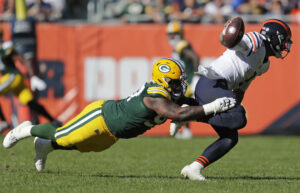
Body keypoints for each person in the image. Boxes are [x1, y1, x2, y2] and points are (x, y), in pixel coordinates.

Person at [2, 58, 236, 172]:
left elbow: (183, 107)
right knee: (64, 135)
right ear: (164, 80)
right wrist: (212, 108)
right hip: (102, 116)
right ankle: (26, 129)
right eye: (176, 81)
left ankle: (44, 145)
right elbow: (176, 112)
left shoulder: (166, 93)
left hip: (113, 132)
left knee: (82, 146)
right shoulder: (156, 95)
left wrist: (194, 112)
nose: (180, 85)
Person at [175, 18, 293, 181]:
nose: (286, 45)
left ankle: (194, 168)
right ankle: (186, 114)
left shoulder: (265, 65)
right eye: (285, 40)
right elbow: (232, 41)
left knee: (230, 138)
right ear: (274, 37)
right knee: (239, 118)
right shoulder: (255, 41)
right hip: (212, 83)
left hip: (220, 89)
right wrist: (230, 35)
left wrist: (236, 104)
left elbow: (241, 88)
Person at [0, 28, 61, 127]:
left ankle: (2, 122)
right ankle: (54, 121)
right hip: (16, 81)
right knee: (30, 102)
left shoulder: (5, 47)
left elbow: (22, 59)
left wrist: (33, 76)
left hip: (12, 77)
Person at [166, 20, 199, 139]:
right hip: (186, 80)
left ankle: (186, 130)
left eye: (171, 34)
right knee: (182, 105)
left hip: (189, 80)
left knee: (181, 105)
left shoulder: (181, 45)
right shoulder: (178, 46)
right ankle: (186, 130)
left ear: (177, 34)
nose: (169, 37)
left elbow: (195, 57)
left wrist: (196, 77)